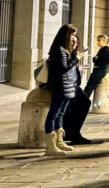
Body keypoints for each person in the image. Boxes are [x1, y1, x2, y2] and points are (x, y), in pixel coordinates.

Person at [44, 24, 83, 156]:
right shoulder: (59, 50)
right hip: (60, 87)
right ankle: (50, 146)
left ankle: (59, 141)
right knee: (53, 114)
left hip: (67, 87)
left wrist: (73, 55)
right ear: (66, 36)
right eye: (72, 36)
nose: (74, 39)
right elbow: (63, 68)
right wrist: (76, 59)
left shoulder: (65, 51)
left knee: (60, 115)